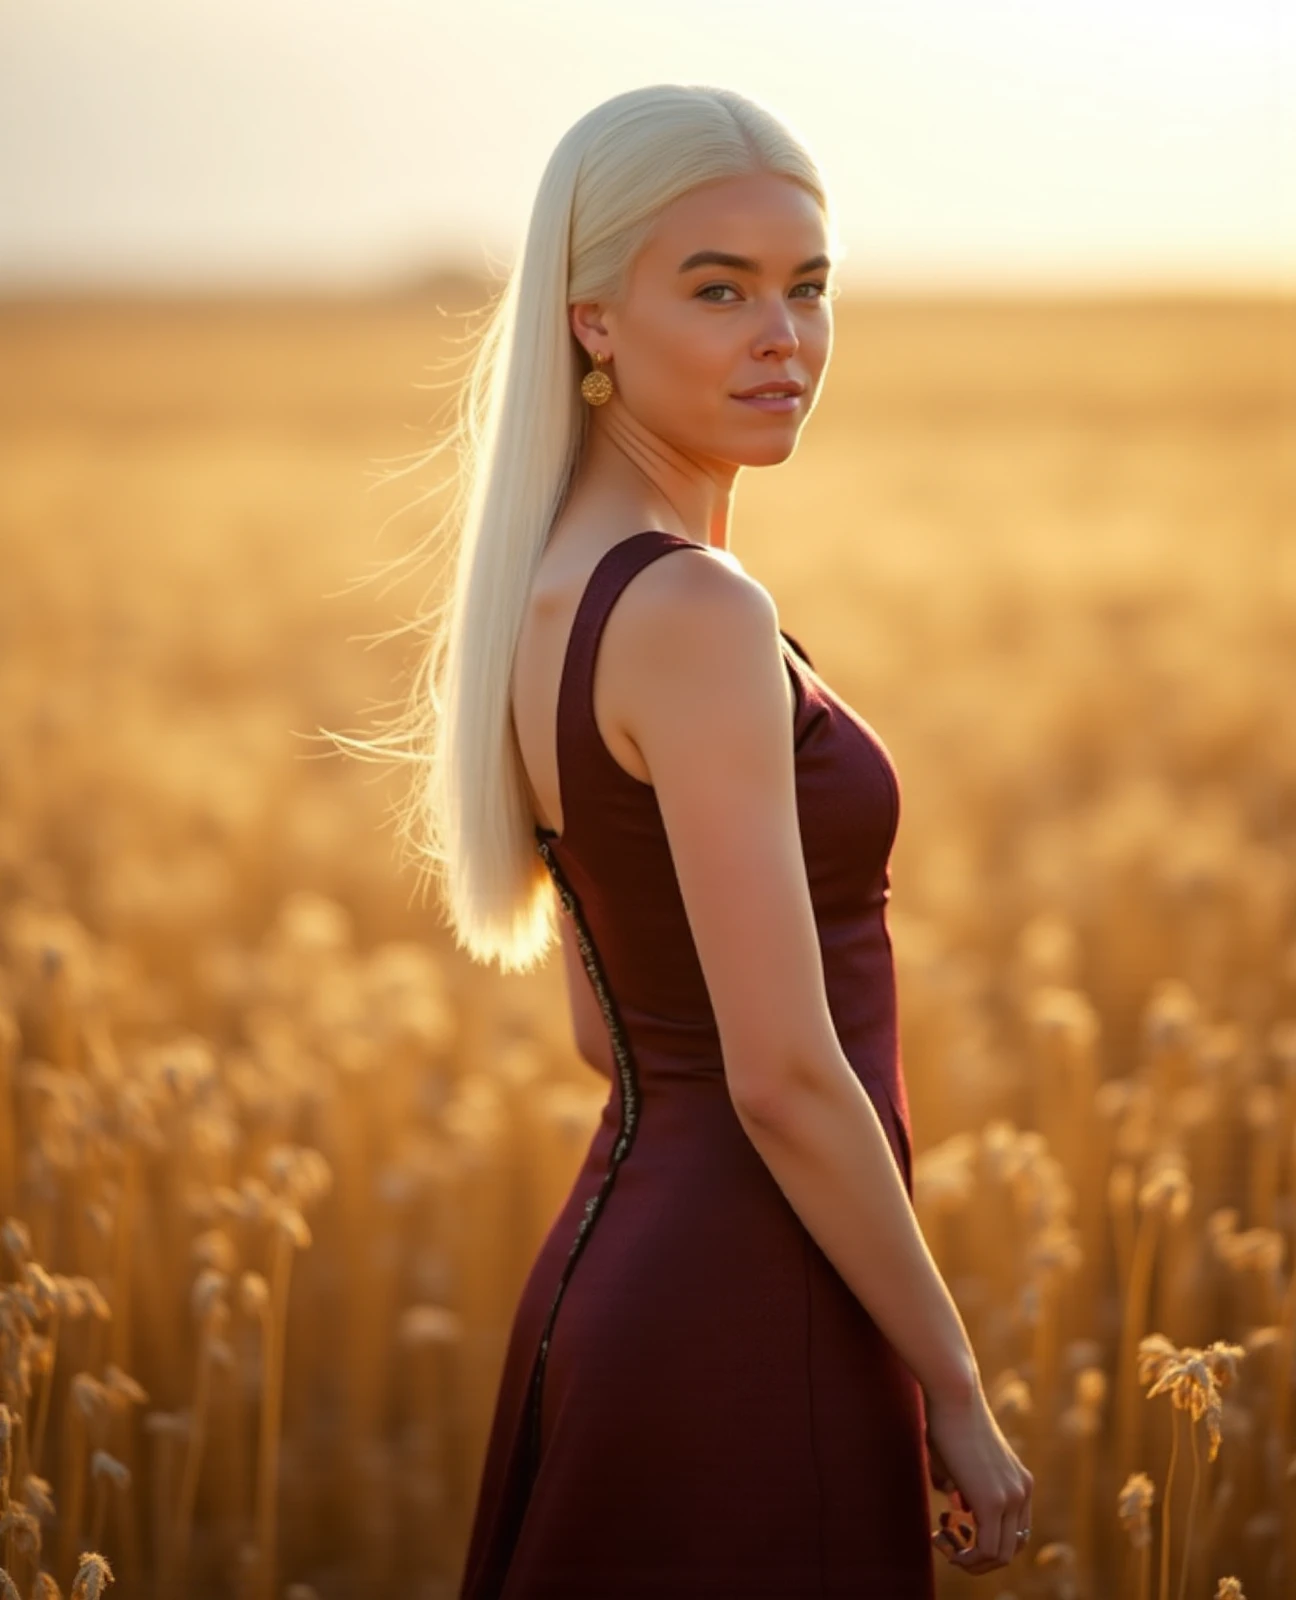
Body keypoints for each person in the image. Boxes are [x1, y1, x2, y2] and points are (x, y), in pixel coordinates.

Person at [397, 82, 1033, 1598]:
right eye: (720, 288)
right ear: (595, 320)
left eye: (809, 289)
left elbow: (604, 1029)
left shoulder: (560, 587)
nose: (784, 338)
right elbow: (785, 1073)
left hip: (627, 1277)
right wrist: (951, 1383)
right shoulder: (691, 611)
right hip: (757, 1314)